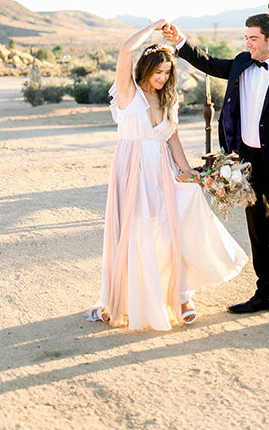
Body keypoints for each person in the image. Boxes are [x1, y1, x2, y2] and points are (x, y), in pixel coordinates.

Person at [162, 13, 269, 329]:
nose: (247, 43)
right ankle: (266, 294)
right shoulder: (241, 62)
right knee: (259, 232)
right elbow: (209, 63)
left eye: (253, 38)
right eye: (246, 38)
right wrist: (180, 40)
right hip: (247, 163)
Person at [85, 19, 248, 331]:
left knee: (177, 223)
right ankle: (133, 296)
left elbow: (172, 139)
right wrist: (151, 31)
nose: (162, 79)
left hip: (163, 168)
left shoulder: (168, 99)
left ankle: (181, 295)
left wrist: (193, 175)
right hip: (132, 167)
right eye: (158, 72)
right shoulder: (127, 91)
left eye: (167, 73)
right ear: (146, 68)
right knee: (135, 232)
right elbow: (123, 50)